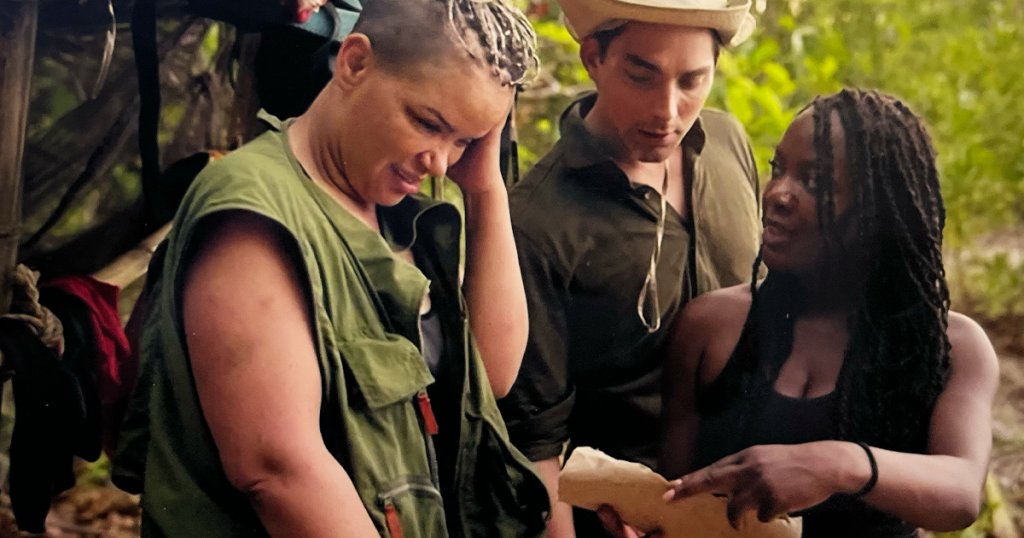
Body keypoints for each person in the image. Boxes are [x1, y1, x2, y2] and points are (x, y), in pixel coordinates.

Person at [114, 0, 551, 536]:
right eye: (427, 122)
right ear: (355, 62)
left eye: (462, 140)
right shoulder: (255, 211)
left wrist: (485, 191)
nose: (440, 162)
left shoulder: (391, 207)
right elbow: (279, 471)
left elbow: (491, 378)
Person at [656, 89, 999, 537]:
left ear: (878, 213)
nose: (778, 194)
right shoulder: (711, 325)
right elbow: (674, 503)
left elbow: (961, 493)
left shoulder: (948, 347)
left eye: (814, 182)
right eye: (778, 169)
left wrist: (838, 464)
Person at [497, 1, 763, 536]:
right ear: (593, 57)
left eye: (692, 81)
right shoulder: (535, 222)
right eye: (642, 76)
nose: (667, 111)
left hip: (758, 506)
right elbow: (536, 442)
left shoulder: (727, 141)